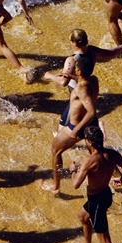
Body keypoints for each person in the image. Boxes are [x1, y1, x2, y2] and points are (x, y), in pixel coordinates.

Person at [71, 125, 122, 243]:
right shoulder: (112, 154)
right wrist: (121, 179)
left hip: (96, 202)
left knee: (105, 241)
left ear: (89, 142)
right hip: (106, 194)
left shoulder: (88, 161)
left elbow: (75, 184)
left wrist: (73, 171)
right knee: (82, 216)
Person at [43, 53, 99, 193]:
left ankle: (55, 186)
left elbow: (91, 111)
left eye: (75, 69)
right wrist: (70, 76)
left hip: (78, 126)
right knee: (98, 153)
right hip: (92, 124)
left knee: (55, 151)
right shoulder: (93, 79)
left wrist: (76, 129)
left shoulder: (80, 89)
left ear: (79, 71)